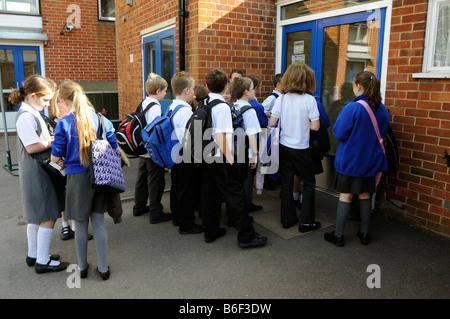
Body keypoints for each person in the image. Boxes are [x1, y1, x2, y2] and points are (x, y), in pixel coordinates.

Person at [51, 80, 116, 280]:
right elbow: (113, 147)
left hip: (76, 178)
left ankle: (82, 267)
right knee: (98, 222)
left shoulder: (63, 123)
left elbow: (54, 157)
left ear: (63, 100)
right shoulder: (101, 120)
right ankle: (103, 268)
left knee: (80, 224)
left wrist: (63, 161)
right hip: (99, 174)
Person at [201, 68, 267, 248]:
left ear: (207, 86)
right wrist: (231, 160)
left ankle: (211, 230)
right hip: (222, 157)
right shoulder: (222, 107)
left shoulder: (205, 102)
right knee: (236, 196)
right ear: (225, 86)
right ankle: (246, 235)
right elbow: (222, 136)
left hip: (207, 156)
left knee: (211, 195)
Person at [11, 74, 69, 274]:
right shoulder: (27, 116)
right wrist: (53, 141)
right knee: (49, 215)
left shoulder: (28, 112)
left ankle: (34, 254)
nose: (46, 104)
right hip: (38, 171)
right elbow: (32, 147)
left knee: (36, 216)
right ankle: (42, 261)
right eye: (45, 100)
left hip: (35, 170)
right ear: (33, 95)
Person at [324, 71, 389, 247]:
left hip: (350, 160)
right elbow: (381, 133)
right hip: (370, 160)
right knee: (365, 195)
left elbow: (338, 133)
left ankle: (338, 235)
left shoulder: (351, 108)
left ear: (358, 86)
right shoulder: (382, 109)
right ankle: (365, 233)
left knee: (346, 196)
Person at [268, 62, 321, 232]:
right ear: (307, 80)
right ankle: (306, 222)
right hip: (301, 147)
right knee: (310, 182)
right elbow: (316, 127)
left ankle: (287, 219)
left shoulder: (281, 98)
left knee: (287, 183)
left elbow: (272, 122)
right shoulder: (309, 100)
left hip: (284, 145)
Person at [49, 91, 93, 241]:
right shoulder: (58, 120)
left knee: (73, 201)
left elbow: (55, 153)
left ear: (64, 101)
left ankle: (73, 228)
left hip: (71, 168)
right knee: (66, 197)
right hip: (78, 168)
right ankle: (67, 226)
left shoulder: (66, 121)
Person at [133, 73, 172, 224]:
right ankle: (156, 211)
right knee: (156, 180)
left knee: (142, 178)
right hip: (152, 150)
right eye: (164, 91)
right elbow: (155, 130)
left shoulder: (143, 102)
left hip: (142, 147)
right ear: (158, 91)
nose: (164, 94)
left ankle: (139, 206)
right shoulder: (155, 106)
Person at [168, 72, 203, 235]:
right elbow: (189, 137)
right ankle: (186, 224)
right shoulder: (187, 111)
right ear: (187, 90)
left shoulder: (172, 106)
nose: (194, 90)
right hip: (185, 154)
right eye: (193, 87)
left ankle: (177, 217)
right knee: (186, 190)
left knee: (176, 187)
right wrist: (196, 157)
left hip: (174, 153)